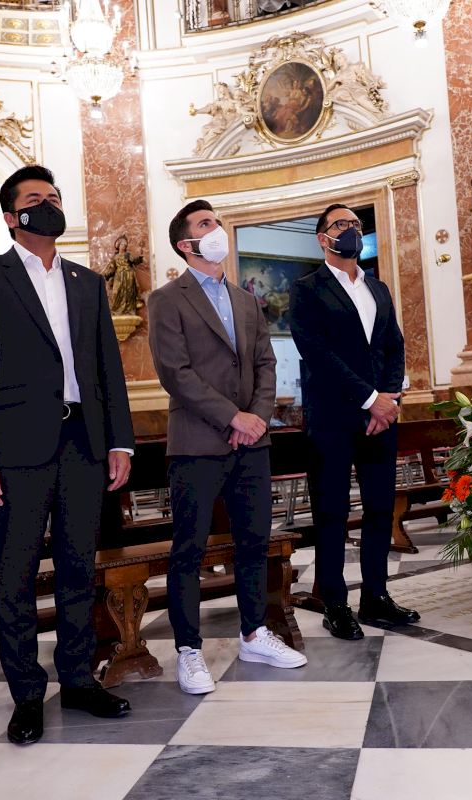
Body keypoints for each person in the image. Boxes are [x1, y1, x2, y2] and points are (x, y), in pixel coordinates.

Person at [0, 165, 136, 745]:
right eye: (36, 198)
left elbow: (108, 368)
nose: (49, 204)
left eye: (54, 196)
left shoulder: (88, 281)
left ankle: (78, 679)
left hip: (83, 441)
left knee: (80, 567)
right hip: (17, 448)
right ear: (12, 216)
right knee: (17, 574)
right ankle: (27, 694)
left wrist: (120, 440)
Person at [149, 199, 307, 695]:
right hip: (197, 441)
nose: (216, 229)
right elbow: (175, 372)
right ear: (186, 244)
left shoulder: (245, 300)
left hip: (251, 443)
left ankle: (255, 633)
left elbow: (265, 363)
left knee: (254, 541)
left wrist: (255, 418)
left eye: (216, 221)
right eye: (205, 224)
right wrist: (231, 416)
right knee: (190, 549)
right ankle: (188, 650)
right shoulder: (166, 300)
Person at [288, 203, 419, 640]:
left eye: (356, 225)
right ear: (322, 238)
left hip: (381, 416)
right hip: (333, 417)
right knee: (332, 512)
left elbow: (394, 346)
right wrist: (369, 399)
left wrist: (389, 398)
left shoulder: (377, 287)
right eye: (341, 224)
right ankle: (335, 603)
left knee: (380, 508)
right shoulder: (307, 289)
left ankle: (376, 596)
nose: (351, 231)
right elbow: (317, 353)